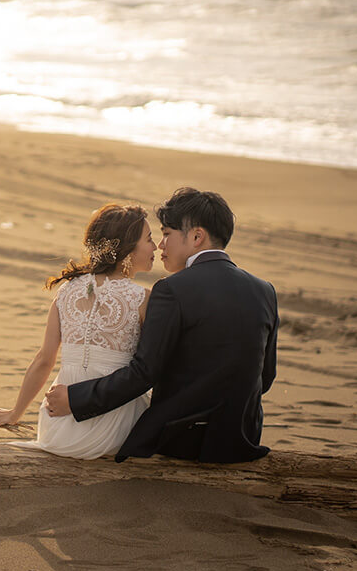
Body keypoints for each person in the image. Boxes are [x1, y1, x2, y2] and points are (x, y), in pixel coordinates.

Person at [44, 187, 279, 463]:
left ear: (196, 236)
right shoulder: (264, 290)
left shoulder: (172, 289)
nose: (161, 245)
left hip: (182, 441)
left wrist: (76, 399)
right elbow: (265, 378)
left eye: (167, 234)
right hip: (243, 439)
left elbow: (145, 373)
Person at [0, 203, 158, 459]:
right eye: (150, 239)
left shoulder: (67, 292)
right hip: (114, 424)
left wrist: (15, 413)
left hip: (58, 426)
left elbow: (44, 360)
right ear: (127, 248)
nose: (155, 247)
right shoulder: (143, 299)